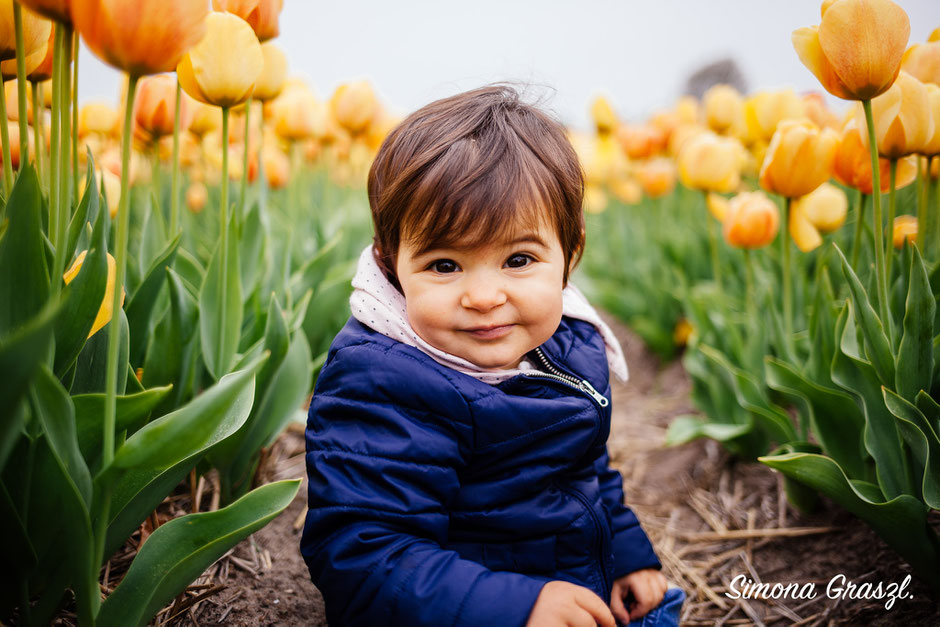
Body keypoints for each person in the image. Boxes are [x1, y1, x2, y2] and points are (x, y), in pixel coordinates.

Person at [301, 85, 685, 626]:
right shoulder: (383, 380)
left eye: (519, 258)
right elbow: (362, 556)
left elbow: (582, 467)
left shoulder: (562, 342)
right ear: (392, 266)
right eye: (444, 265)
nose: (484, 297)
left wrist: (624, 554)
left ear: (569, 252)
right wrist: (515, 608)